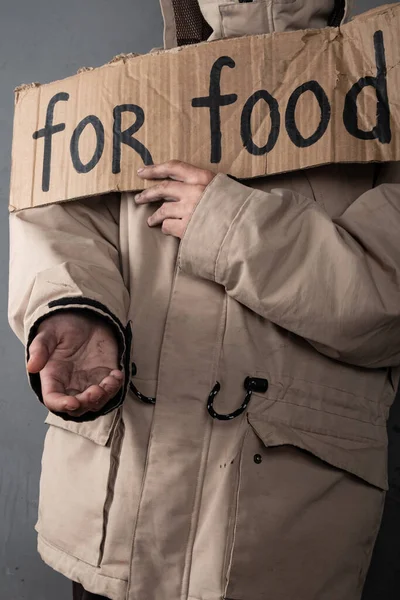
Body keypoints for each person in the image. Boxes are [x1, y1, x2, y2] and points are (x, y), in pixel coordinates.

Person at [8, 1, 400, 599]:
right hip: (112, 535)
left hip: (278, 543)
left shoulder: (385, 92)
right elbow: (63, 227)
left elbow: (387, 301)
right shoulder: (123, 95)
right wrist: (75, 308)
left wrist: (230, 226)